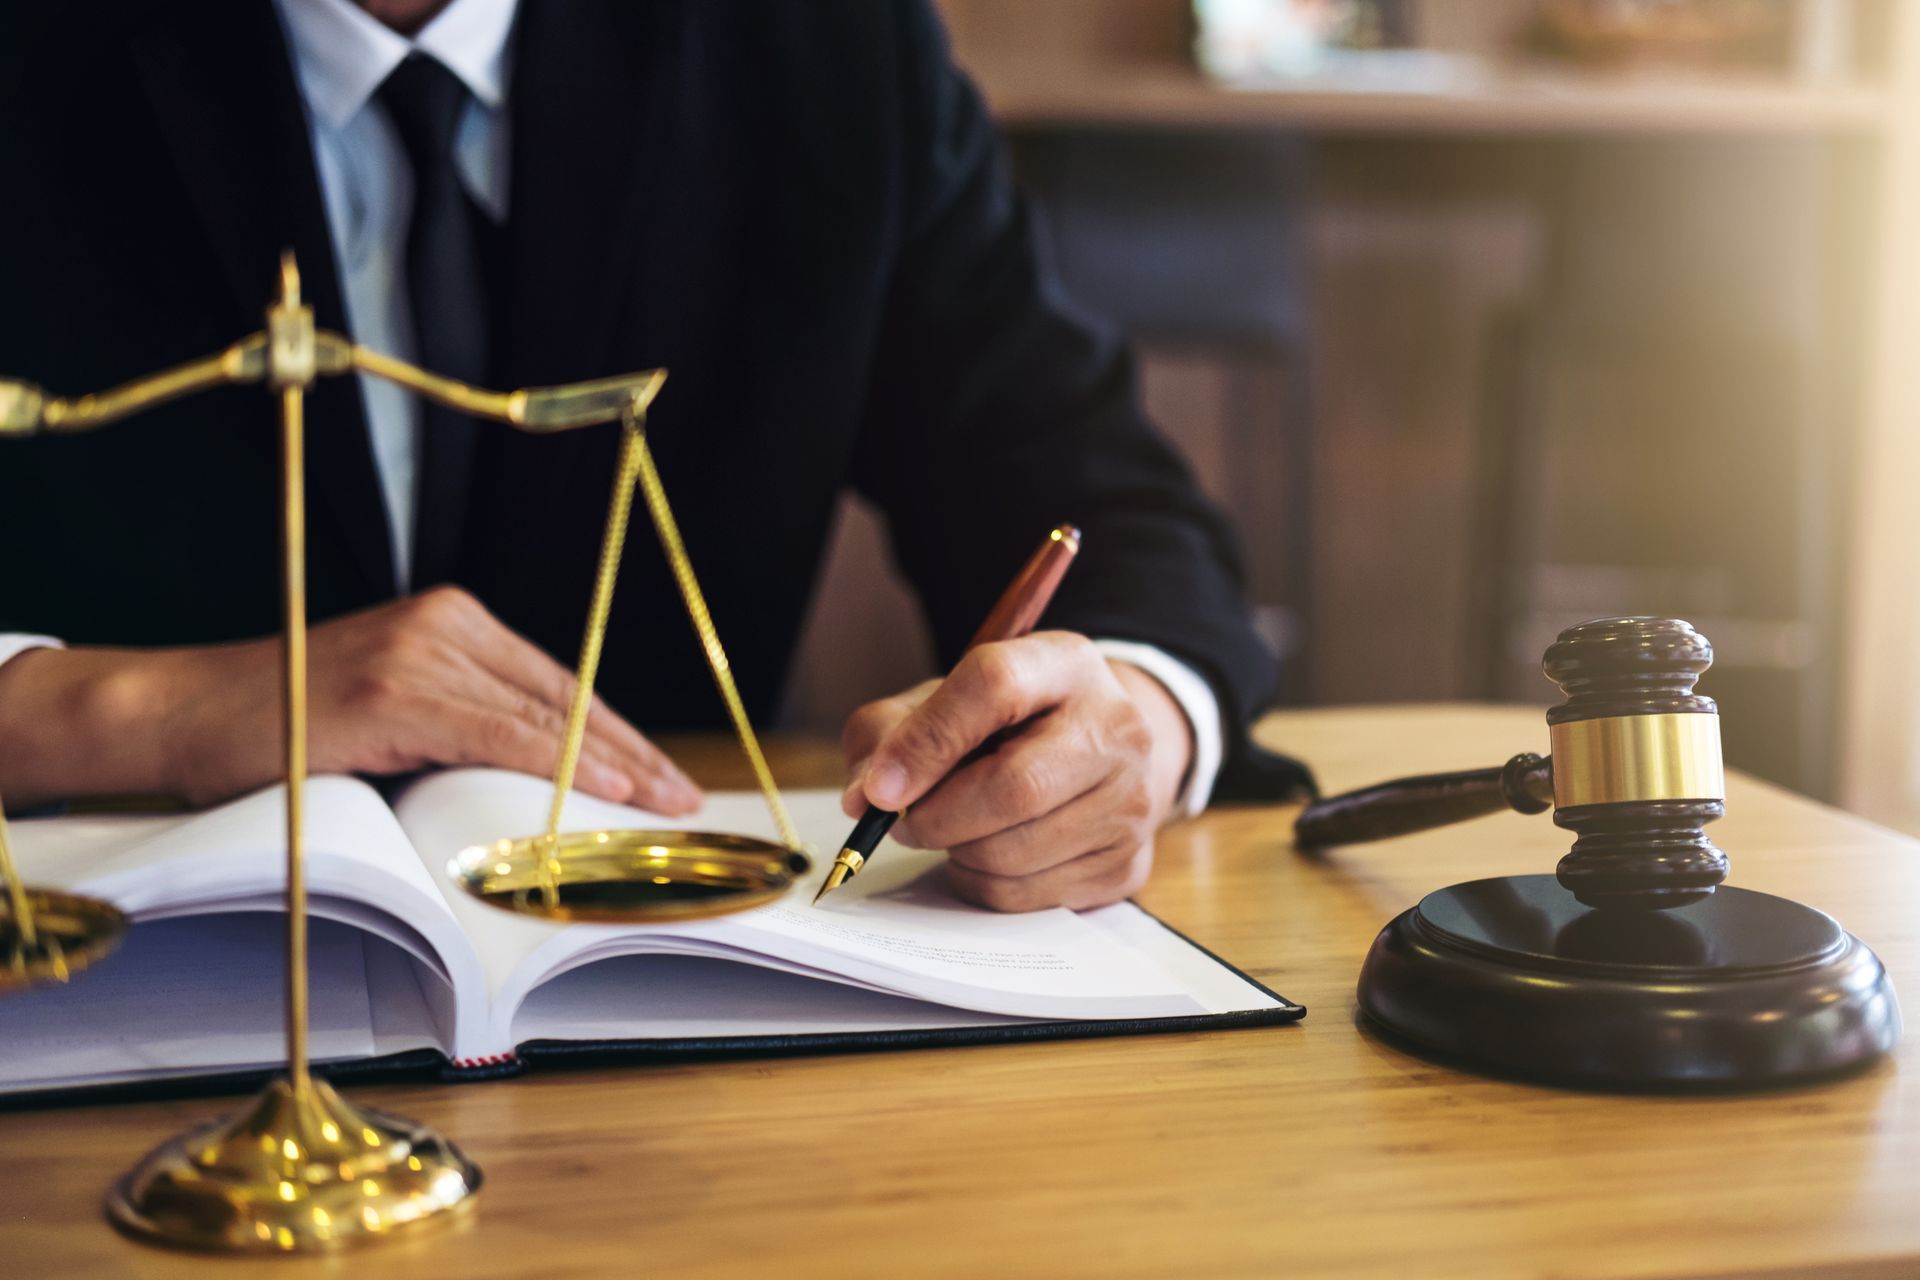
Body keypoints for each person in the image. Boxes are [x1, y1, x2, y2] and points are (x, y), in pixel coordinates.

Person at [0, 0, 1308, 911]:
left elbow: (1114, 514)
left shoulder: (824, 43)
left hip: (670, 988)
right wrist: (145, 712)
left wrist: (1128, 722)